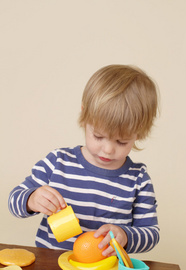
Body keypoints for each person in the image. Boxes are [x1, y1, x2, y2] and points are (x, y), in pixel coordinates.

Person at [8, 64, 160, 257]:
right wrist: (31, 199)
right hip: (52, 268)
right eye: (98, 136)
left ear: (140, 132)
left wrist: (125, 235)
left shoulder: (138, 179)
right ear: (84, 115)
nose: (108, 149)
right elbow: (14, 199)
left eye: (121, 141)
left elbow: (151, 233)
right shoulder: (58, 162)